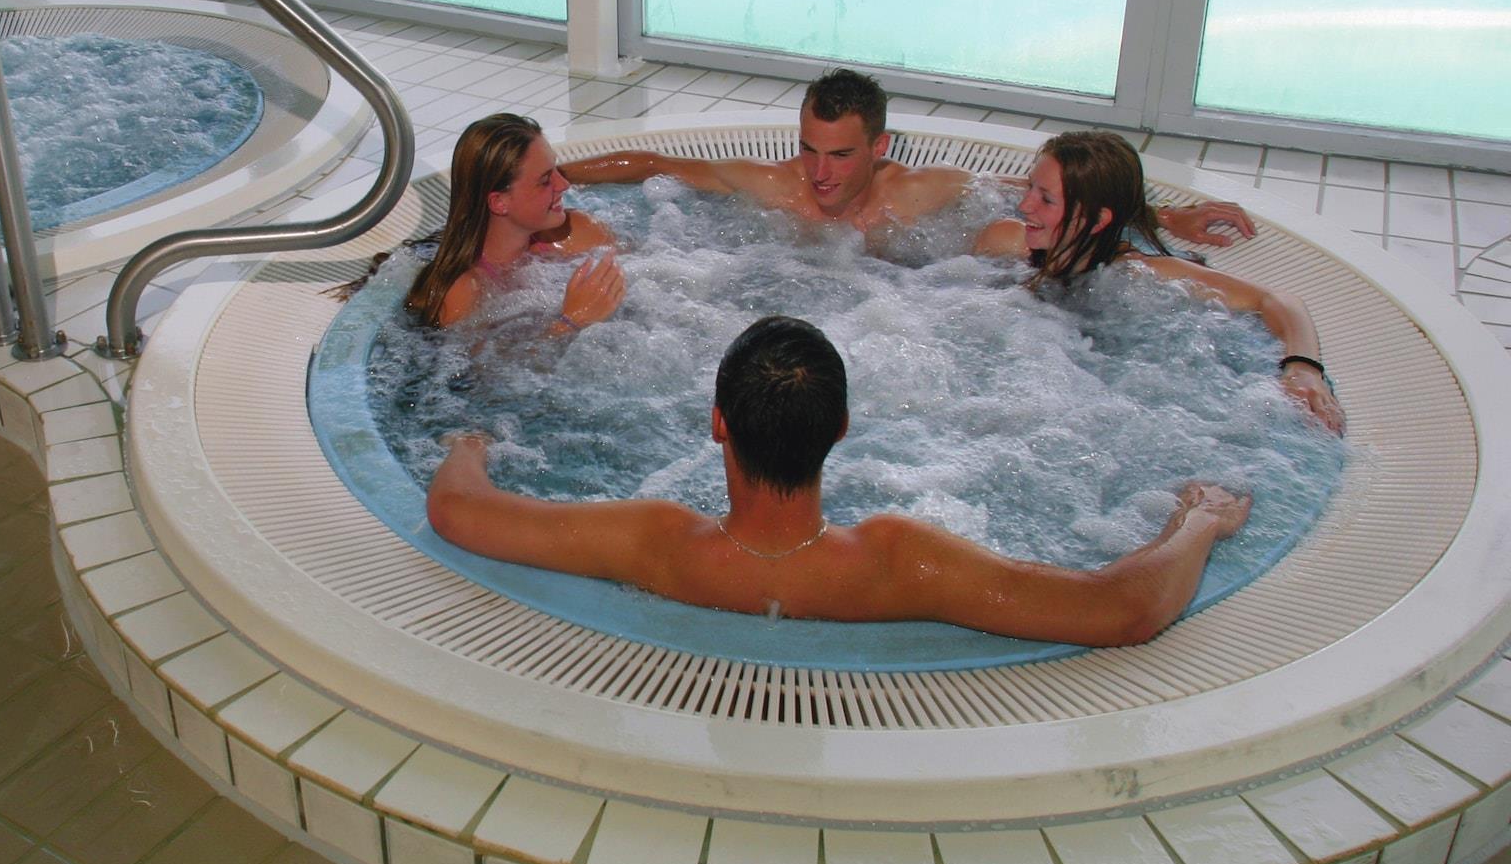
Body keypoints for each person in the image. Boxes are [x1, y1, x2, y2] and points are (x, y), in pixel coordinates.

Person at [428, 316, 1250, 647]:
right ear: (843, 430)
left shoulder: (655, 543)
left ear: (717, 424)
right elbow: (1122, 607)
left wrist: (470, 445)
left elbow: (459, 510)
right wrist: (1196, 522)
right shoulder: (898, 560)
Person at [560, 67, 1252, 246]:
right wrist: (558, 176)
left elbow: (1042, 192)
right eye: (807, 149)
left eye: (840, 155)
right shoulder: (773, 185)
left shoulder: (916, 192)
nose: (819, 172)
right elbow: (651, 163)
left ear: (880, 147)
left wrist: (1164, 217)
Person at [975, 130, 1345, 433]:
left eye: (1045, 199)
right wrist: (1163, 215)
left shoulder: (1141, 273)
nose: (1024, 205)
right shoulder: (1006, 239)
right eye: (1030, 187)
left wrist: (1303, 368)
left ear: (1098, 219)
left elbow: (1278, 300)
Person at [404, 112, 624, 330]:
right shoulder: (462, 291)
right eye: (545, 180)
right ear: (499, 202)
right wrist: (571, 322)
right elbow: (471, 356)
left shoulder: (575, 233)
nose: (564, 184)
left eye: (556, 169)